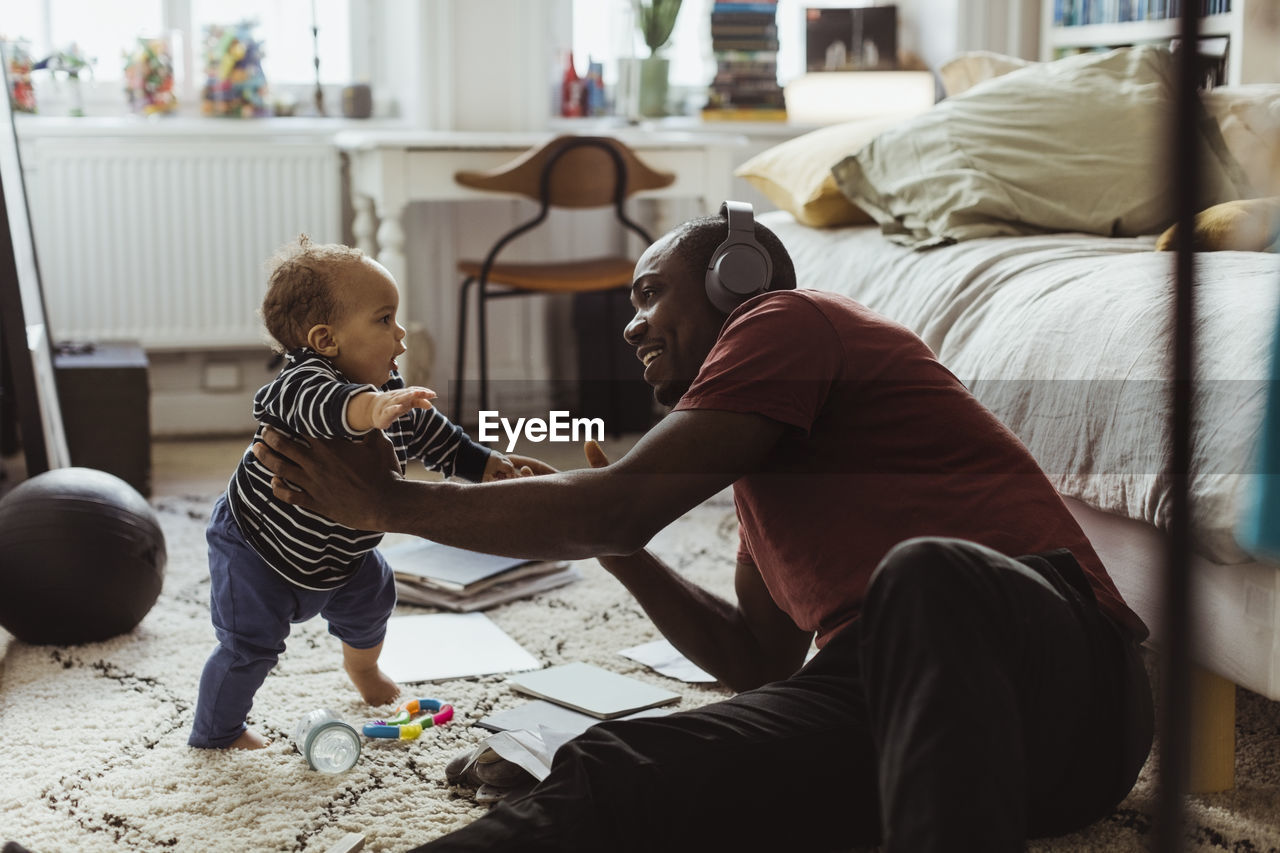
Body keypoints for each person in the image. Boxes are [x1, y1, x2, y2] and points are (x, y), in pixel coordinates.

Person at [251, 205, 1154, 851]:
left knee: (923, 576)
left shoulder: (784, 320)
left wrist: (390, 506)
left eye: (650, 296)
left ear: (737, 279)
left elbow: (623, 499)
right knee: (618, 766)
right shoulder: (764, 468)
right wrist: (621, 547)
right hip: (901, 712)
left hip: (1062, 684)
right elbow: (759, 655)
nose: (634, 327)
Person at [189, 236, 534, 751]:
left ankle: (365, 670)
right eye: (384, 320)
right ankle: (217, 732)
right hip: (257, 548)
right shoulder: (301, 382)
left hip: (343, 554)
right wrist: (371, 409)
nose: (400, 336)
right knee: (249, 647)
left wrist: (486, 465)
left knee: (375, 598)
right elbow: (325, 405)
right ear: (326, 340)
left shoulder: (389, 388)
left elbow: (437, 436)